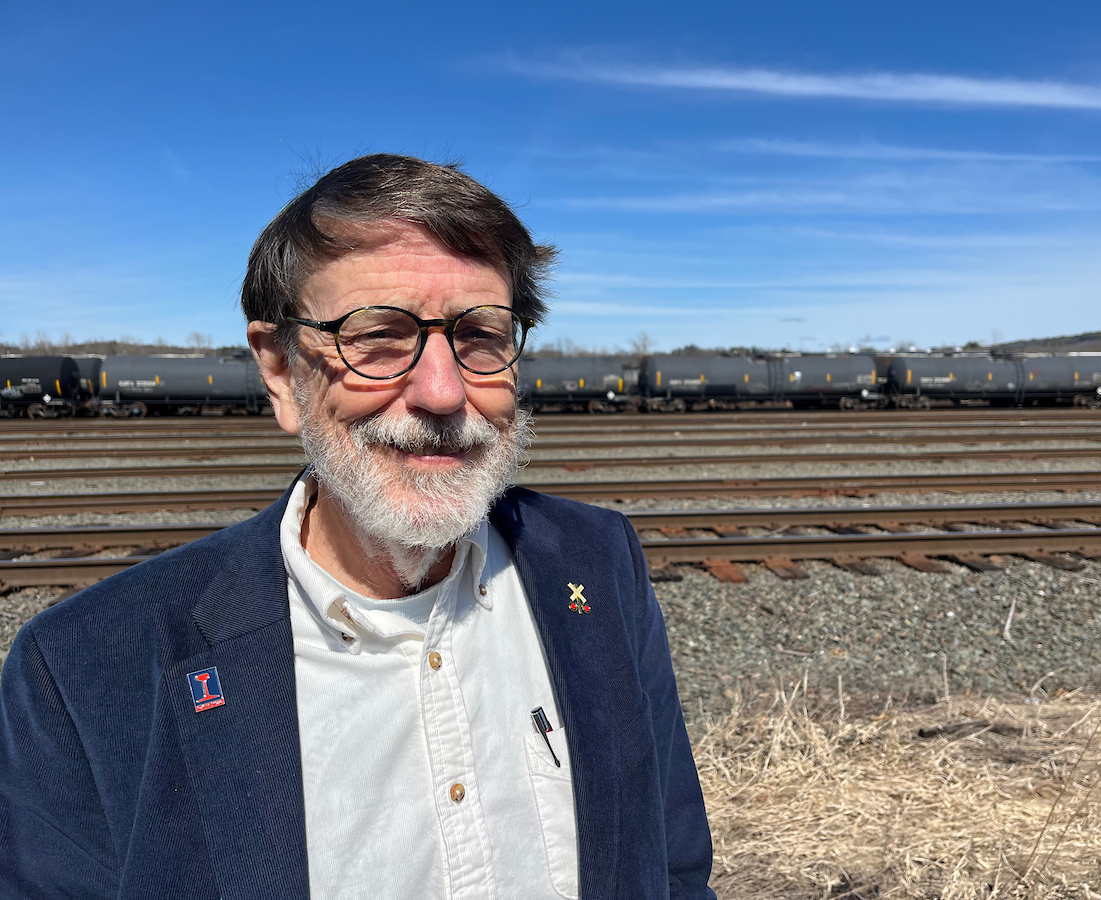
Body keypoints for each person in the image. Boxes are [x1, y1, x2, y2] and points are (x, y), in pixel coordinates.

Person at [0, 154, 716, 899]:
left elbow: (672, 862)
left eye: (480, 334)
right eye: (377, 334)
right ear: (280, 371)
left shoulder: (598, 563)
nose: (442, 392)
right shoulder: (82, 668)